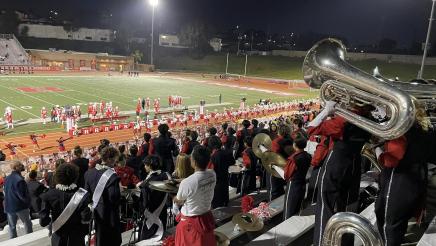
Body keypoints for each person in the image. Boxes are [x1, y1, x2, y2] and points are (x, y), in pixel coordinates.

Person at [310, 101, 371, 246]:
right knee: (349, 205)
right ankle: (346, 242)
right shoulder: (369, 119)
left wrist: (326, 111)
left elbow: (311, 129)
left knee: (325, 204)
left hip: (336, 162)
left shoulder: (342, 120)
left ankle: (322, 243)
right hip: (355, 164)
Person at [374, 106, 435, 246]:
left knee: (387, 224)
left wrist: (378, 150)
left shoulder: (403, 130)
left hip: (399, 180)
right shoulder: (428, 129)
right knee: (400, 220)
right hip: (417, 179)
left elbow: (391, 159)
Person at [173, 145, 216, 246]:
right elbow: (199, 180)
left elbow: (179, 200)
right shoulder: (212, 174)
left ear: (194, 162)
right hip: (206, 217)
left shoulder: (188, 183)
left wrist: (173, 197)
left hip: (190, 223)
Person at [39, 164, 91, 246]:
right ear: (75, 177)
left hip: (58, 236)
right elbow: (86, 218)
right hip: (76, 237)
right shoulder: (82, 194)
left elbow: (43, 221)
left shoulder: (48, 195)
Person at [84, 146, 122, 246]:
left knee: (100, 239)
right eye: (115, 159)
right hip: (110, 215)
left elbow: (86, 194)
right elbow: (114, 198)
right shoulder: (112, 176)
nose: (115, 162)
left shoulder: (89, 173)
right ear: (109, 159)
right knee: (113, 240)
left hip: (96, 213)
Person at [138, 155, 169, 241]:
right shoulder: (165, 175)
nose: (144, 167)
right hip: (162, 210)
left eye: (145, 165)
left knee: (149, 237)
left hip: (150, 211)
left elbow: (144, 201)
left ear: (150, 166)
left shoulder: (149, 181)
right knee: (161, 234)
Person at [281, 137, 311, 220]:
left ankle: (286, 225)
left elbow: (287, 174)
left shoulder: (294, 158)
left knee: (289, 208)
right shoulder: (308, 156)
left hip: (293, 184)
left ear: (295, 145)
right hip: (302, 182)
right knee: (297, 208)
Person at [4, 160, 33, 239]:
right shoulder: (19, 179)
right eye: (21, 165)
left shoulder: (7, 178)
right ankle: (30, 240)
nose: (22, 166)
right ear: (16, 167)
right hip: (20, 206)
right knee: (27, 224)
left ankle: (13, 242)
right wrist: (28, 204)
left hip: (9, 206)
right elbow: (22, 196)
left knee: (12, 227)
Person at [268, 124, 293, 201]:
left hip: (277, 167)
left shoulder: (276, 141)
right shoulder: (291, 139)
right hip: (287, 165)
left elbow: (273, 155)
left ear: (279, 131)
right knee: (282, 187)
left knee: (274, 189)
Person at [208, 136, 233, 208]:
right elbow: (232, 161)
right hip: (225, 176)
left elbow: (210, 170)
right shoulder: (226, 152)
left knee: (217, 202)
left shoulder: (213, 156)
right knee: (225, 195)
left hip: (217, 180)